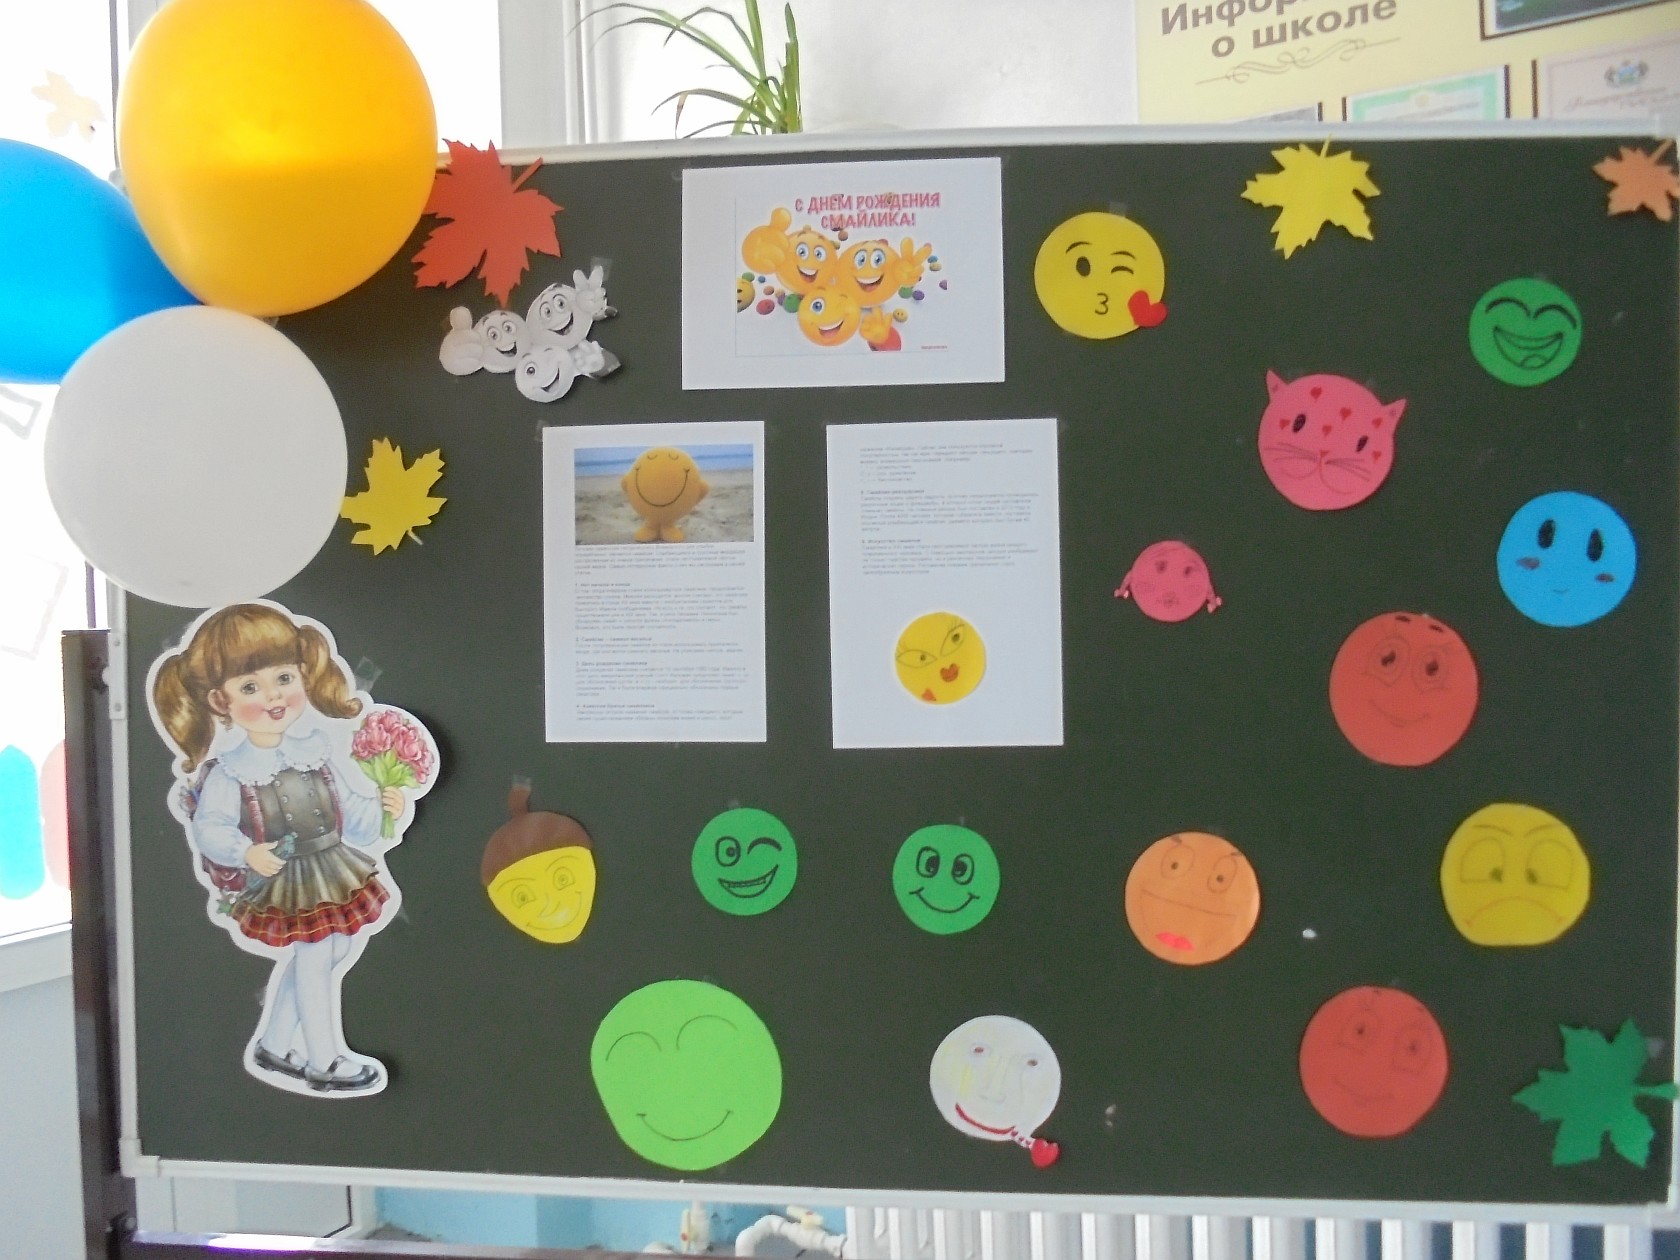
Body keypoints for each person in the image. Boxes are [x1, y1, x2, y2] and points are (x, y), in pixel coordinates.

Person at [149, 602, 436, 1097]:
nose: (273, 696)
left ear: (303, 674)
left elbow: (349, 816)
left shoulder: (315, 752)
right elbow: (210, 827)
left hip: (331, 865)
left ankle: (275, 1044)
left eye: (283, 677)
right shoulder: (231, 770)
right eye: (250, 687)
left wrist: (383, 807)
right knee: (317, 953)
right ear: (220, 700)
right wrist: (245, 851)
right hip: (285, 877)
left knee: (333, 948)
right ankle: (324, 1059)